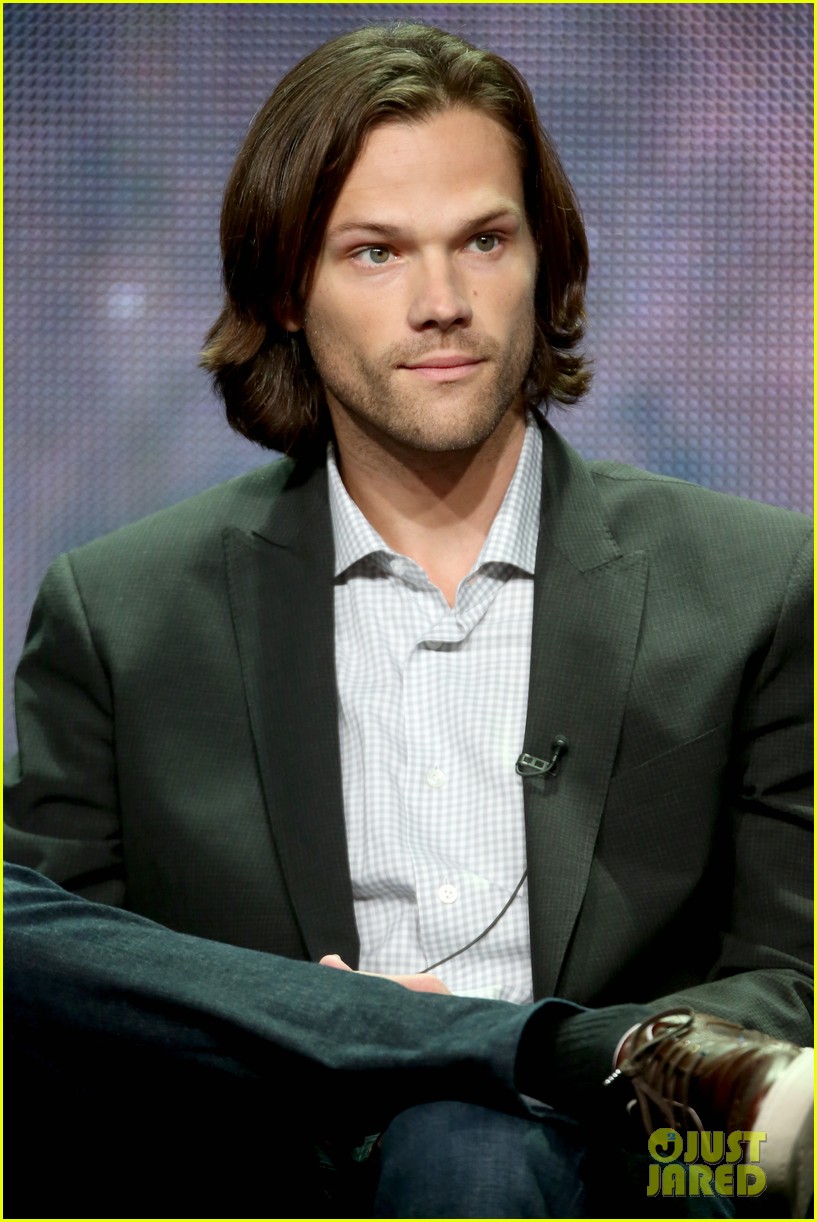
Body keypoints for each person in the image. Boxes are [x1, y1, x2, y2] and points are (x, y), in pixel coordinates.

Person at [4, 21, 812, 1221]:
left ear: (543, 260)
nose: (442, 303)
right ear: (287, 291)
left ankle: (525, 1073)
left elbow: (794, 981)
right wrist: (344, 1037)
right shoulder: (120, 618)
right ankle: (538, 1048)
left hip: (638, 1171)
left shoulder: (758, 582)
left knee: (468, 1145)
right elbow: (64, 999)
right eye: (375, 253)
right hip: (261, 1169)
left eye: (483, 240)